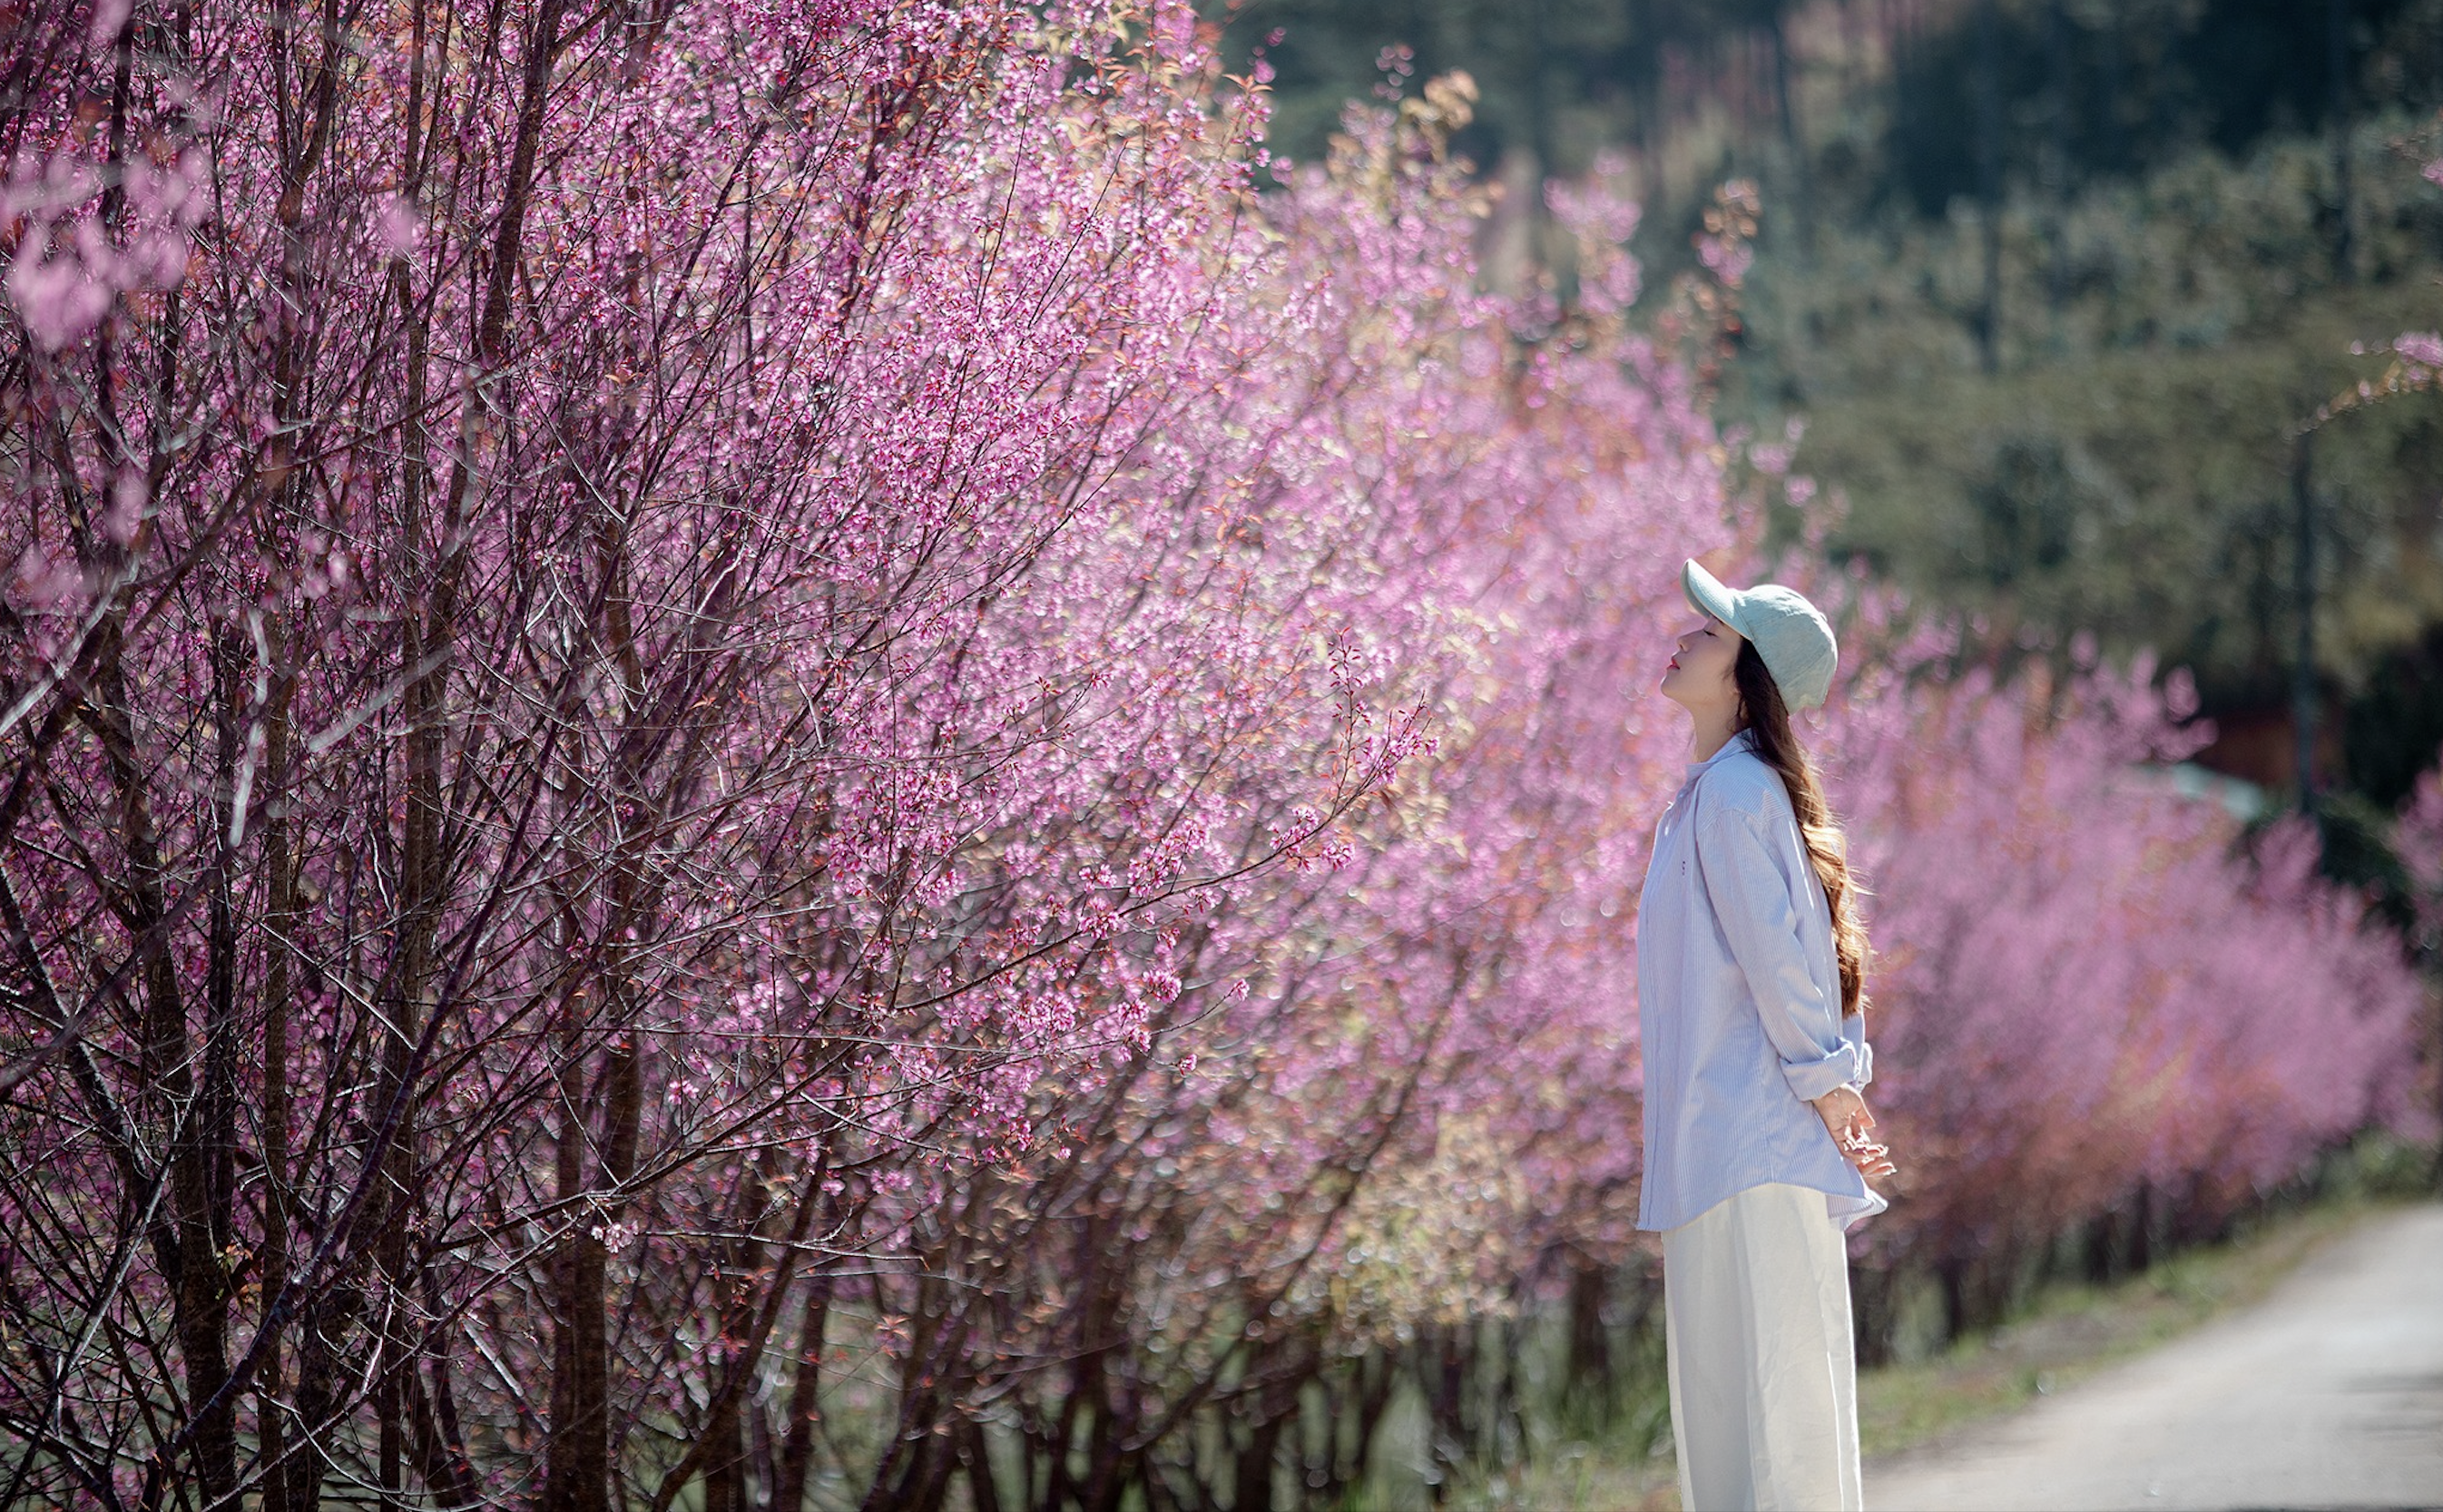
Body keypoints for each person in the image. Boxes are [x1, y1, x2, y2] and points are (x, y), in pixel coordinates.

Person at [1638, 558, 1897, 1512]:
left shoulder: (1735, 795)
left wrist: (1834, 1090)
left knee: (1776, 1422)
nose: (1683, 637)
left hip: (1757, 1143)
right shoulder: (1712, 796)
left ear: (1747, 679)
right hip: (1721, 1149)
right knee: (1733, 1420)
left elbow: (1781, 963)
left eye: (1709, 635)